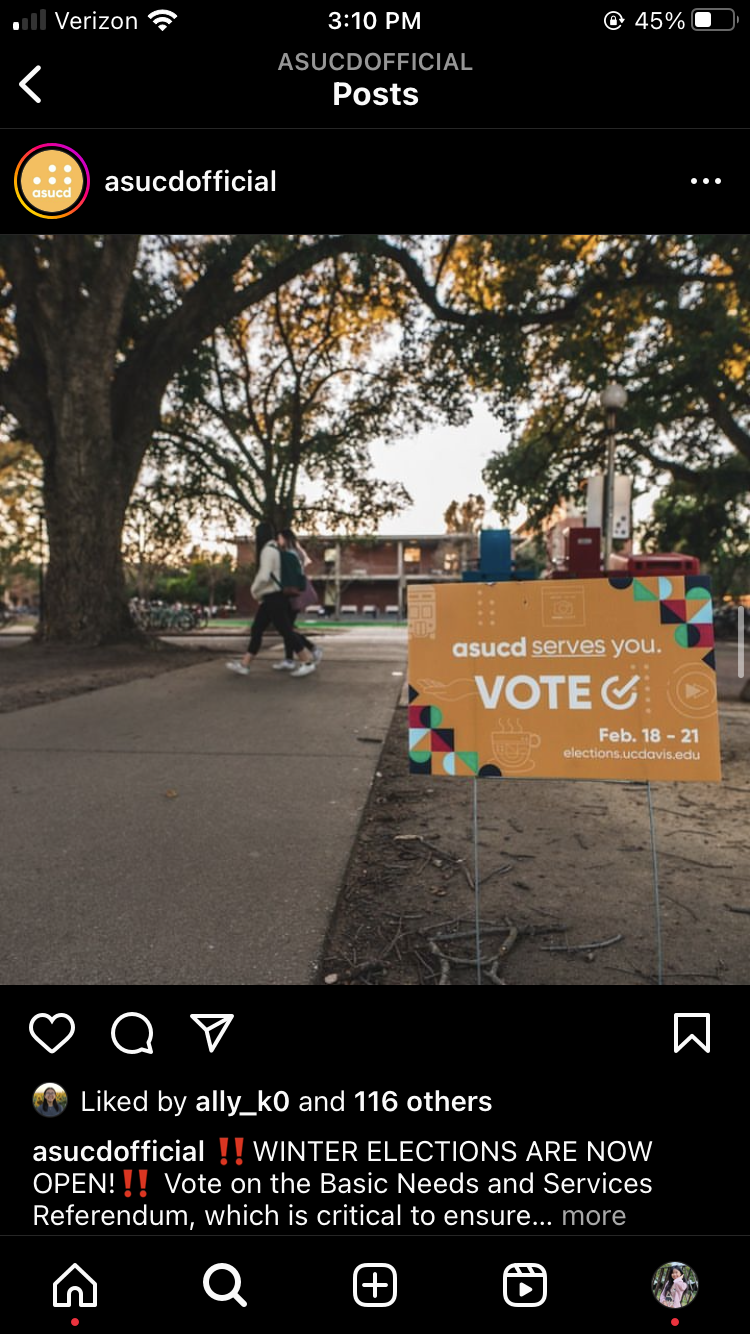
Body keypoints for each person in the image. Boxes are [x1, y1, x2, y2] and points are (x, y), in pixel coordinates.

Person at [226, 522, 322, 679]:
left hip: (273, 597)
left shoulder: (269, 551)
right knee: (258, 629)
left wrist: (254, 591)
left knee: (285, 631)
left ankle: (307, 661)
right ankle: (245, 664)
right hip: (274, 597)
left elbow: (264, 576)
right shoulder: (280, 551)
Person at [276, 528, 324, 670]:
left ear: (285, 538)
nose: (278, 541)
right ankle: (289, 659)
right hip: (297, 592)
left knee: (287, 628)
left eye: (279, 538)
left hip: (292, 593)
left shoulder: (290, 553)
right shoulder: (298, 552)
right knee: (287, 627)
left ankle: (312, 648)